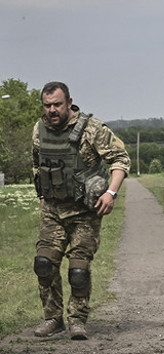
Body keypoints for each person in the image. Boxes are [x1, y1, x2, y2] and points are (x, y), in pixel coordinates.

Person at [32, 81, 130, 340]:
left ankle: (77, 319)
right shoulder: (39, 129)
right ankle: (53, 317)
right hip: (53, 209)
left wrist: (111, 192)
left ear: (69, 102)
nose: (52, 110)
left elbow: (120, 159)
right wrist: (42, 195)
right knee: (44, 264)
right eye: (47, 105)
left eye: (57, 104)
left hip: (85, 211)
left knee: (78, 270)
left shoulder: (91, 129)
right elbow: (37, 163)